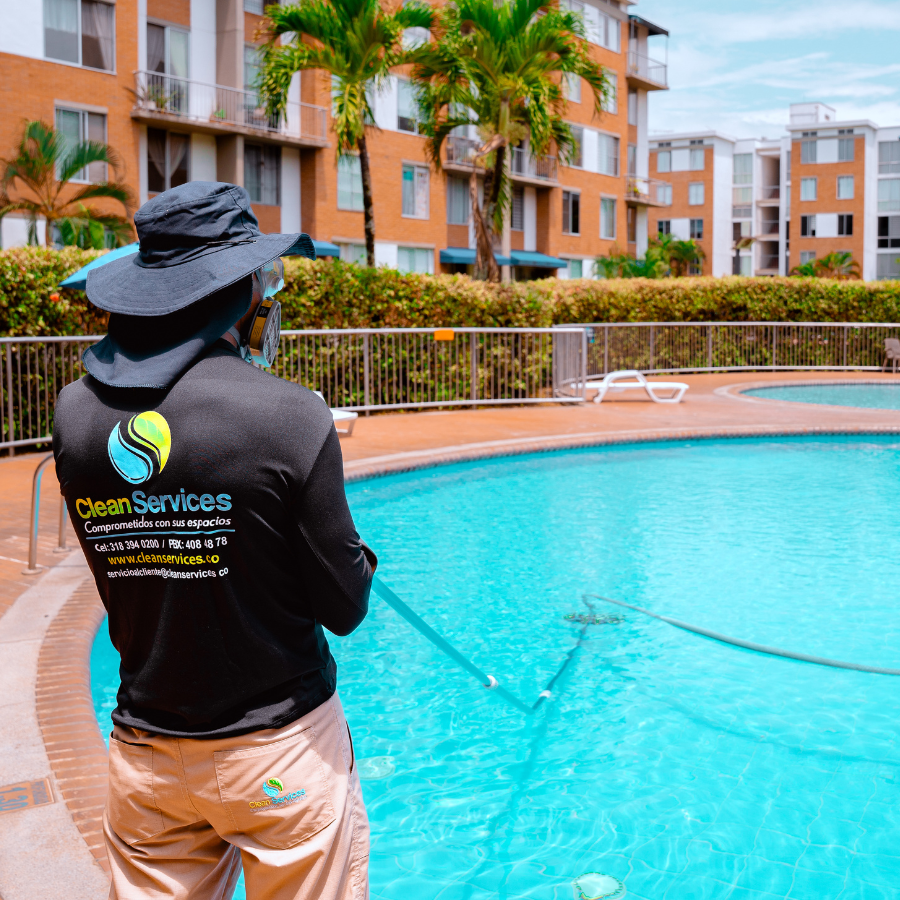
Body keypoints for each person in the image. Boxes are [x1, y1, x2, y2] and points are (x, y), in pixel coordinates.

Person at [53, 181, 376, 900]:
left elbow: (125, 578)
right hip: (279, 751)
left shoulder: (73, 416)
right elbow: (346, 605)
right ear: (239, 292)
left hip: (147, 751)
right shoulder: (290, 418)